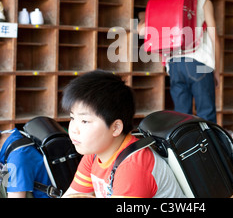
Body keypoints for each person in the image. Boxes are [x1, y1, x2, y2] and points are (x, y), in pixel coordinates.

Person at [61, 70, 185, 198]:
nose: (73, 129)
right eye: (72, 118)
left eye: (84, 121)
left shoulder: (133, 167)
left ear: (115, 128)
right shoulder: (93, 155)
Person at [138, 0, 220, 123]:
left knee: (181, 118)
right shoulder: (203, 1)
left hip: (175, 66)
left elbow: (141, 31)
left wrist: (141, 19)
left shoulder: (165, 3)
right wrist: (217, 70)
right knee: (207, 115)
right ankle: (206, 149)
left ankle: (183, 149)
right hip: (199, 64)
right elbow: (214, 38)